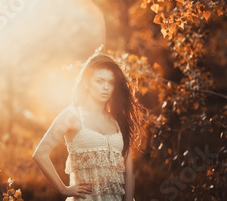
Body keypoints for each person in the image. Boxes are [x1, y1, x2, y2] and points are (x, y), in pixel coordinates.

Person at [32, 52, 146, 201]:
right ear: (86, 82)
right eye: (99, 81)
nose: (106, 87)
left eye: (111, 83)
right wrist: (62, 189)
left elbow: (129, 171)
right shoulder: (72, 115)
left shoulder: (118, 120)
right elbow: (40, 153)